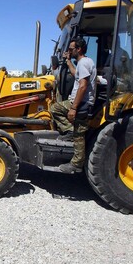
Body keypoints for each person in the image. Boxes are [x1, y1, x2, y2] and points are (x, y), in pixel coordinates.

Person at [50, 37, 97, 174]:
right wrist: (68, 60)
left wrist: (74, 108)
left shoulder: (83, 63)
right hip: (79, 101)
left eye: (71, 49)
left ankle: (76, 164)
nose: (69, 51)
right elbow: (76, 74)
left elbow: (82, 86)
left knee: (78, 134)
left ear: (79, 49)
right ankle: (70, 131)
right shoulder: (85, 62)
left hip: (81, 103)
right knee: (56, 109)